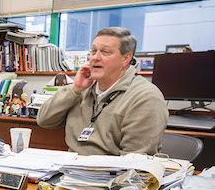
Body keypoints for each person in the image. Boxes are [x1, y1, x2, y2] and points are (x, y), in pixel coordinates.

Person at [37, 27, 168, 156]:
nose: (95, 57)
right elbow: (44, 121)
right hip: (71, 170)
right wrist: (75, 89)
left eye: (105, 52)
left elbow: (134, 161)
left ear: (126, 58)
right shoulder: (83, 88)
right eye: (93, 51)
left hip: (109, 174)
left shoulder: (145, 97)